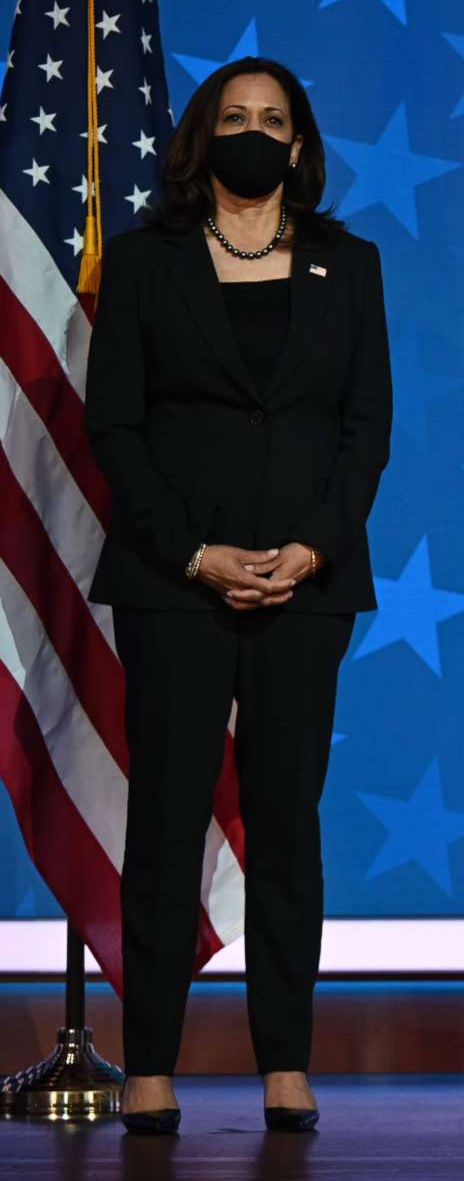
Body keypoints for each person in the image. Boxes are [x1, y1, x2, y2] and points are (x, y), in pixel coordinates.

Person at [85, 57, 392, 1135]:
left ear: (300, 146)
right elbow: (113, 423)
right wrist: (197, 552)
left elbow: (367, 430)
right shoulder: (143, 263)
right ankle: (153, 1062)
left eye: (274, 119)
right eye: (234, 117)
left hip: (309, 584)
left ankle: (285, 1060)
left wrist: (308, 548)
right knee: (166, 818)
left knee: (286, 820)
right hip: (176, 584)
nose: (254, 133)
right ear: (200, 138)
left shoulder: (349, 266)